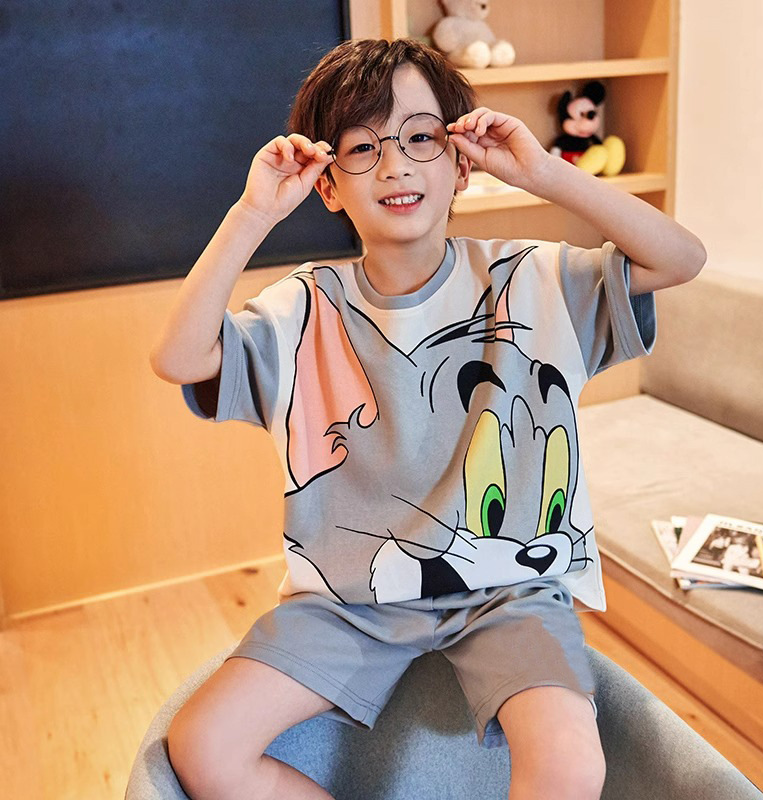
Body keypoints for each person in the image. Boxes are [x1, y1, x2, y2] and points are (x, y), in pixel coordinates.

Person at [150, 37, 706, 800]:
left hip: (512, 590)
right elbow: (178, 358)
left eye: (420, 138)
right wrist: (252, 215)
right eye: (361, 147)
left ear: (462, 164)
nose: (395, 165)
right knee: (203, 746)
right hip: (345, 601)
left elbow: (680, 257)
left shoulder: (533, 278)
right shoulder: (301, 309)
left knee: (573, 764)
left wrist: (544, 173)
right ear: (327, 185)